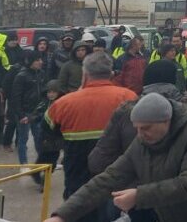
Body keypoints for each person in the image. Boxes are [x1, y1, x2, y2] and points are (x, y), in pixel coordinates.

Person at [44, 93, 187, 222]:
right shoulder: (142, 142)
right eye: (137, 128)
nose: (140, 134)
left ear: (166, 121)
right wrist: (62, 215)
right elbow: (107, 179)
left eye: (146, 128)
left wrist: (139, 196)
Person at [44, 52, 137, 221]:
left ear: (85, 75)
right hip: (118, 178)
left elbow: (46, 138)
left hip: (77, 177)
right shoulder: (129, 97)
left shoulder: (63, 103)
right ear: (111, 74)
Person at [11, 51, 47, 167]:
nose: (41, 62)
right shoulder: (21, 76)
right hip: (25, 112)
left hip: (37, 112)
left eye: (41, 59)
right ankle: (24, 164)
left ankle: (41, 161)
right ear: (31, 61)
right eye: (38, 60)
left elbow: (44, 93)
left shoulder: (41, 73)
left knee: (39, 137)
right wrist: (21, 115)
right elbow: (15, 97)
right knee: (23, 139)